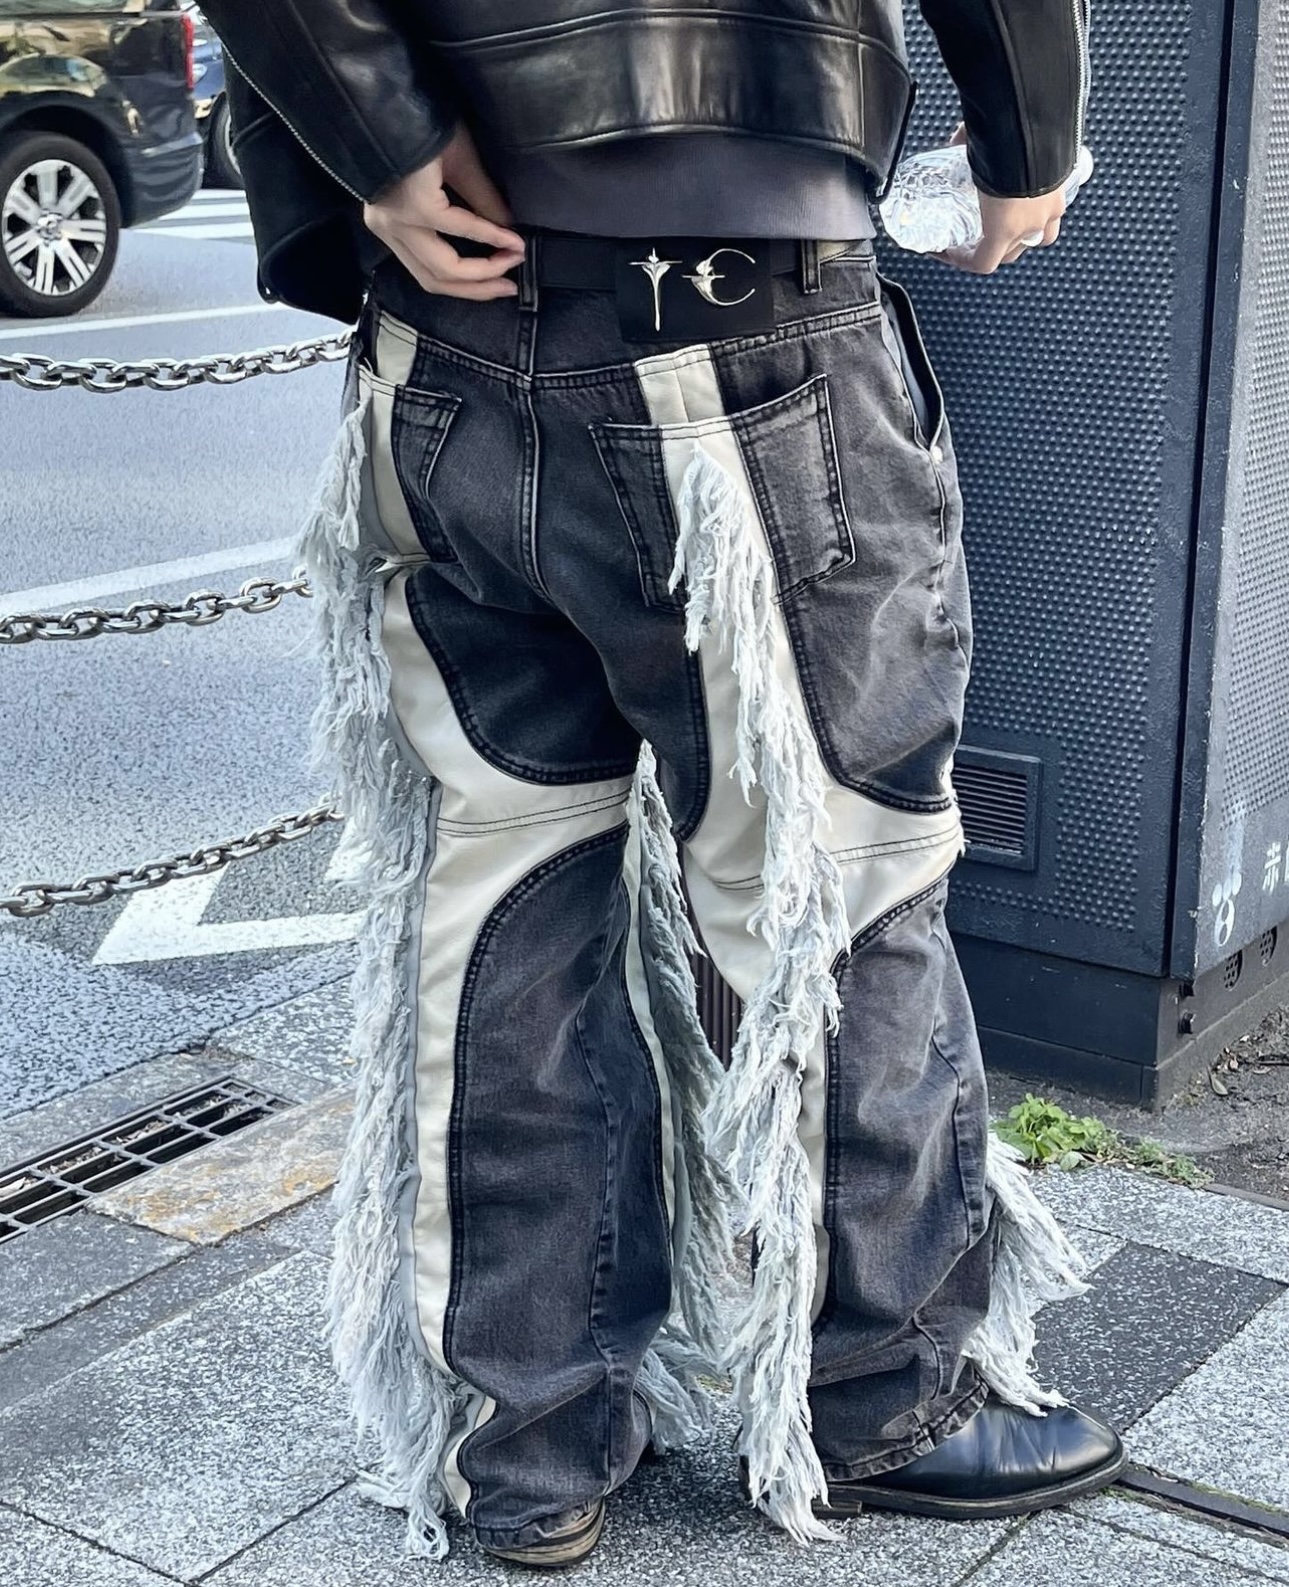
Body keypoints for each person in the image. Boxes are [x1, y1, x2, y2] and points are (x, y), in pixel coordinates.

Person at [199, 0, 1122, 1569]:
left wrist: (382, 138)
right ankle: (879, 1399)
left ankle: (522, 1442)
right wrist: (1028, 139)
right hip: (745, 318)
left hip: (439, 340)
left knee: (492, 889)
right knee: (835, 874)